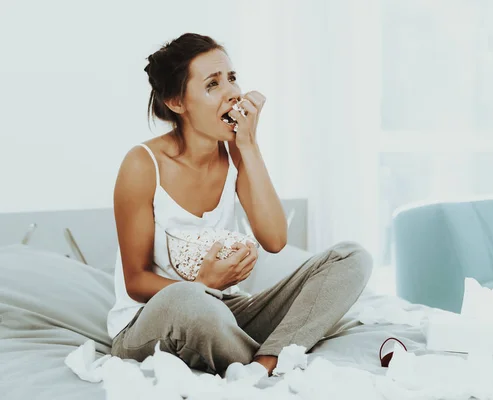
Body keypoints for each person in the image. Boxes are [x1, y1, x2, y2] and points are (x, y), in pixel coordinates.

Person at [107, 33, 373, 381]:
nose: (233, 92)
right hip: (154, 319)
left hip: (222, 312)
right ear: (176, 102)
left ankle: (264, 364)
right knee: (193, 303)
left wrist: (249, 146)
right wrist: (203, 284)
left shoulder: (235, 154)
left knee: (351, 257)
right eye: (213, 84)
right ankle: (279, 351)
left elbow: (275, 240)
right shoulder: (142, 165)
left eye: (232, 78)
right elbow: (135, 281)